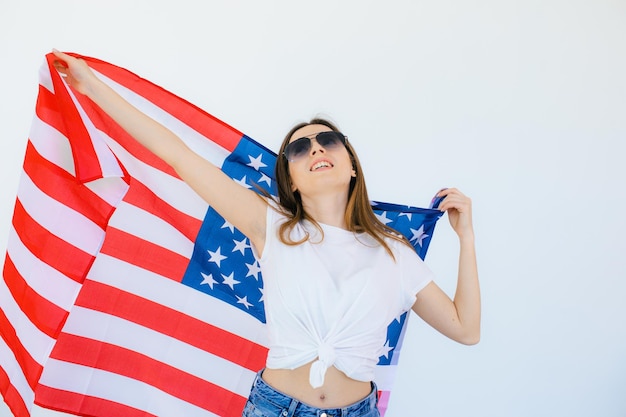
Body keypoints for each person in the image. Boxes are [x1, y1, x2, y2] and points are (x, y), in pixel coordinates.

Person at [52, 50, 481, 417]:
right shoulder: (271, 225)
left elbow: (465, 329)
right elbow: (177, 155)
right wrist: (93, 88)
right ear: (290, 178)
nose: (316, 148)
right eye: (300, 147)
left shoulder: (395, 252)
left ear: (351, 164)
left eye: (328, 140)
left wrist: (466, 238)